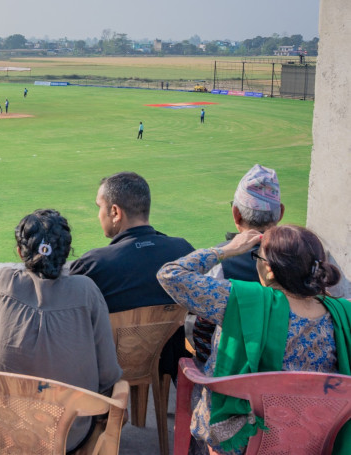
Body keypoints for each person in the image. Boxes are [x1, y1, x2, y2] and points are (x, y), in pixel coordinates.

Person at [0, 209, 122, 452]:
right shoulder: (87, 290)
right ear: (66, 251)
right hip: (68, 434)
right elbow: (107, 376)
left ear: (21, 251)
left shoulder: (0, 281)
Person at [158, 225, 351, 454]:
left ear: (268, 269)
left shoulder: (239, 301)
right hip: (312, 436)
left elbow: (170, 274)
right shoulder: (343, 314)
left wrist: (227, 249)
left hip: (241, 440)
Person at [189, 164, 351, 363]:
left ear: (236, 214)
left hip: (235, 366)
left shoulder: (226, 268)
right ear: (280, 212)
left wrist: (224, 251)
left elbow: (176, 279)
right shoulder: (307, 254)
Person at [68, 172, 194, 379]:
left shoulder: (94, 265)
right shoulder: (183, 251)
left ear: (115, 212)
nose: (98, 215)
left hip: (105, 371)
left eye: (99, 207)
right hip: (165, 365)